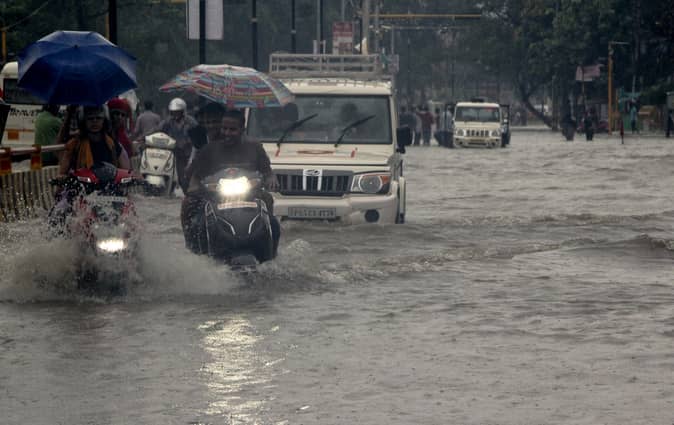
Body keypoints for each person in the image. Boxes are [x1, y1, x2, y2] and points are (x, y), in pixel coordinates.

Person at [181, 108, 280, 255]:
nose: (227, 133)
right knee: (188, 204)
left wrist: (271, 179)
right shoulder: (210, 150)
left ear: (242, 129)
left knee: (269, 205)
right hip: (215, 196)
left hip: (250, 195)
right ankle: (192, 246)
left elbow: (267, 172)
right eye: (224, 128)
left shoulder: (255, 148)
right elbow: (194, 176)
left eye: (232, 129)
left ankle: (270, 249)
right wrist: (193, 187)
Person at [49, 105, 131, 231]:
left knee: (130, 218)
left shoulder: (113, 144)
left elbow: (126, 169)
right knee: (59, 211)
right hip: (80, 191)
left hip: (110, 191)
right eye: (90, 119)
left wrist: (132, 177)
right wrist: (62, 178)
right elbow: (63, 170)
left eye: (98, 118)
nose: (95, 122)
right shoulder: (74, 144)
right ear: (83, 121)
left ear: (104, 120)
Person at [156, 97, 198, 193]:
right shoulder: (168, 121)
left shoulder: (191, 122)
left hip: (189, 152)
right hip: (176, 153)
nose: (175, 114)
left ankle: (190, 192)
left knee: (189, 175)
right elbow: (158, 129)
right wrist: (145, 137)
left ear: (183, 111)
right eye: (174, 112)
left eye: (178, 112)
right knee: (179, 176)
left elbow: (197, 136)